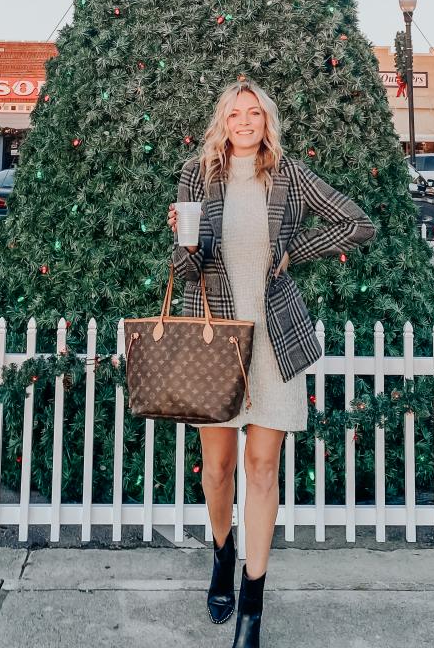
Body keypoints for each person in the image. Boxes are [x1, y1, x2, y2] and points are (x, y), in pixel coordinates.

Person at [166, 80, 377, 647]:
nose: (244, 121)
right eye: (235, 112)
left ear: (266, 120)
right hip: (215, 342)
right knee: (217, 470)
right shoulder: (198, 174)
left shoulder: (287, 174)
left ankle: (251, 605)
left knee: (261, 470)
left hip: (275, 339)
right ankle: (221, 551)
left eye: (254, 112)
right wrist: (184, 247)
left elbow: (358, 223)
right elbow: (185, 272)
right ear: (222, 120)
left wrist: (294, 251)